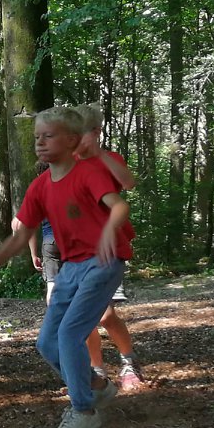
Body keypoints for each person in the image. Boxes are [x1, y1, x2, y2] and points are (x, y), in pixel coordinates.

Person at [0, 107, 130, 428]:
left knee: (70, 333)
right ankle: (97, 386)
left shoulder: (89, 172)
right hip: (71, 267)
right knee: (46, 343)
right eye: (37, 137)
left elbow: (119, 206)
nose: (40, 143)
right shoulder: (40, 186)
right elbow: (19, 236)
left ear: (72, 140)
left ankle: (84, 412)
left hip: (104, 260)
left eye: (49, 135)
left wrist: (106, 234)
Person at [69, 104, 144, 394]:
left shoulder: (109, 159)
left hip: (108, 247)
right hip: (76, 249)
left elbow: (129, 182)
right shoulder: (67, 162)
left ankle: (128, 361)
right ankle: (96, 367)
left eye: (81, 133)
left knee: (105, 315)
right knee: (84, 316)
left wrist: (98, 153)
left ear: (96, 132)